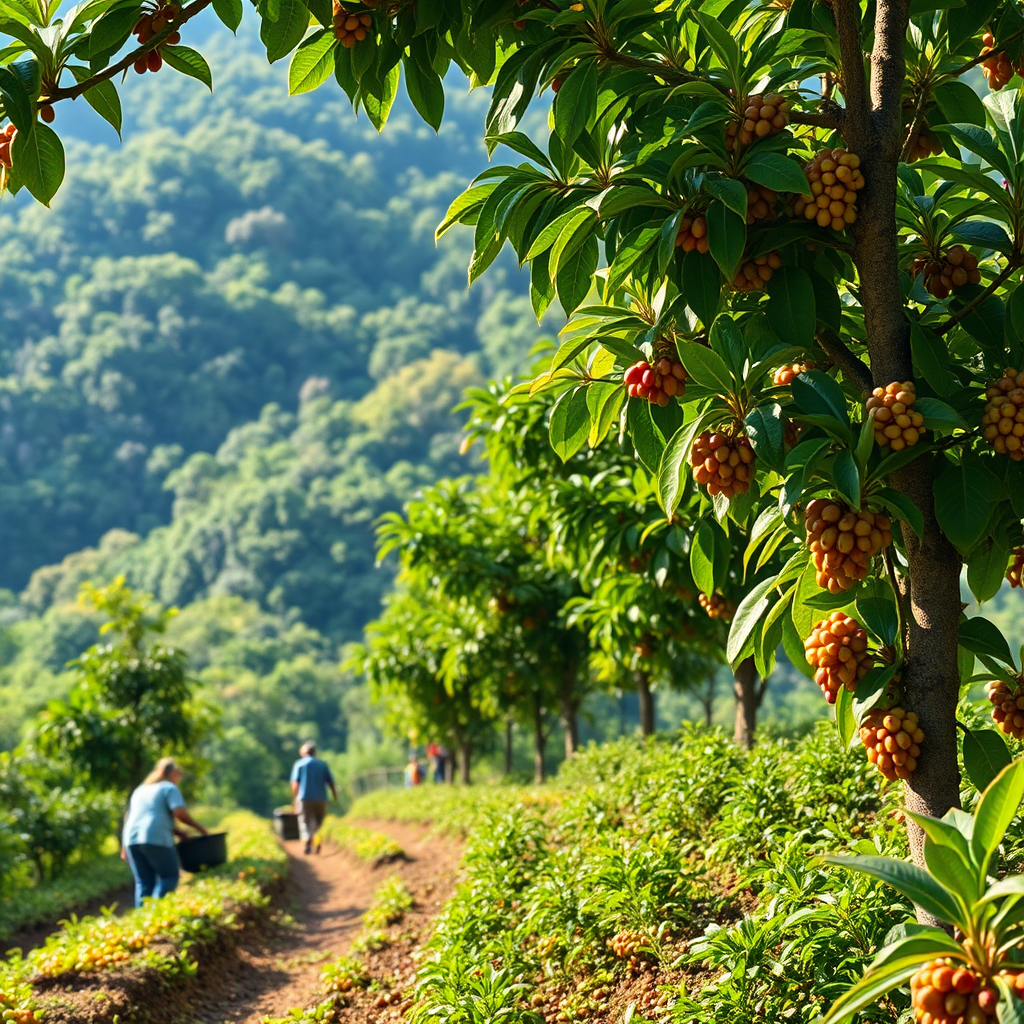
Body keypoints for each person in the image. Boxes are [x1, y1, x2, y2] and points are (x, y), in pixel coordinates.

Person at [122, 757, 208, 907]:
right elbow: (180, 813)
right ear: (174, 773)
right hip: (155, 837)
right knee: (169, 876)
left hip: (131, 839)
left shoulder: (140, 790)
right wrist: (200, 829)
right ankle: (156, 913)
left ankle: (142, 921)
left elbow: (135, 816)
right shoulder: (168, 788)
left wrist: (177, 832)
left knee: (144, 882)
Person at [290, 741, 337, 855]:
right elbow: (330, 782)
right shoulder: (322, 764)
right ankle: (317, 837)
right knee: (319, 821)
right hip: (321, 798)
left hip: (304, 798)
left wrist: (295, 798)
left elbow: (295, 783)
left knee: (304, 821)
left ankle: (307, 840)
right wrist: (334, 795)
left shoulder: (299, 764)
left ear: (304, 752)